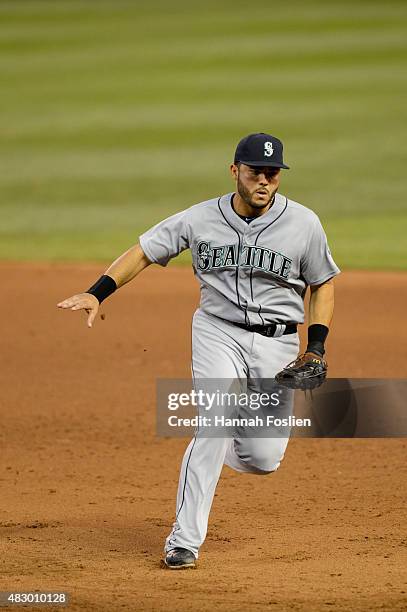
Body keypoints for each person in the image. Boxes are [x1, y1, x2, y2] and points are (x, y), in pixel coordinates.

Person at [57, 132, 340, 570]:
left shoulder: (304, 224)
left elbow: (322, 283)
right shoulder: (200, 218)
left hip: (279, 342)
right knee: (214, 421)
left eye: (272, 173)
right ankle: (184, 540)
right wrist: (99, 292)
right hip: (216, 332)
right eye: (254, 172)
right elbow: (145, 250)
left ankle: (225, 438)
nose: (264, 181)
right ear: (234, 171)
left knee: (263, 459)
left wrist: (316, 346)